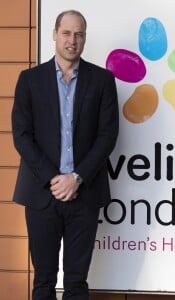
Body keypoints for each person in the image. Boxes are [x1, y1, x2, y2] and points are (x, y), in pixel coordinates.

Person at [11, 10, 119, 300]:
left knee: (76, 283)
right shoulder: (30, 80)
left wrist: (77, 177)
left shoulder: (103, 80)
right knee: (43, 282)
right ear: (55, 34)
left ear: (85, 37)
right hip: (41, 195)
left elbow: (107, 136)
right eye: (67, 33)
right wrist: (54, 178)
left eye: (79, 34)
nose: (73, 40)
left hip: (84, 194)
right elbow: (21, 135)